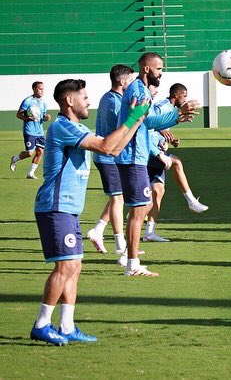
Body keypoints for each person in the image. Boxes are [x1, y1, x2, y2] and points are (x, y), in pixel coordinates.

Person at [30, 79, 148, 345]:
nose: (89, 102)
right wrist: (132, 117)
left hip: (69, 209)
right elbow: (106, 146)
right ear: (69, 101)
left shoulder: (77, 127)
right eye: (84, 97)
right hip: (55, 207)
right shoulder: (63, 127)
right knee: (66, 266)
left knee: (75, 267)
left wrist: (136, 121)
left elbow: (114, 148)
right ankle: (41, 324)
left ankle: (67, 326)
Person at [114, 52, 199, 277]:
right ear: (146, 69)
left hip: (137, 155)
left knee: (139, 208)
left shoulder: (139, 89)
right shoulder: (139, 90)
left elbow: (149, 120)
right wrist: (177, 114)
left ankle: (130, 258)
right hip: (133, 155)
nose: (161, 73)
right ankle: (131, 262)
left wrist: (175, 118)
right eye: (159, 68)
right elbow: (148, 119)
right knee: (138, 210)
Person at [142, 83, 209, 244]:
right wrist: (161, 133)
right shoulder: (160, 106)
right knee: (177, 163)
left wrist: (169, 140)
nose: (185, 99)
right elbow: (149, 125)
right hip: (150, 152)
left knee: (158, 192)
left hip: (158, 150)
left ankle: (149, 232)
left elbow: (161, 129)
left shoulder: (170, 109)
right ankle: (191, 201)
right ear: (177, 95)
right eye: (184, 96)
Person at [85, 65, 134, 256]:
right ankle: (120, 245)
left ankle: (98, 230)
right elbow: (119, 131)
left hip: (110, 156)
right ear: (122, 81)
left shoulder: (111, 98)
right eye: (130, 80)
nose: (132, 84)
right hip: (108, 156)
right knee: (118, 198)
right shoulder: (114, 102)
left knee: (119, 197)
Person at [10, 81, 51, 179]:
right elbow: (18, 114)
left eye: (43, 89)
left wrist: (46, 117)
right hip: (29, 131)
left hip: (39, 131)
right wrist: (27, 118)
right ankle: (14, 159)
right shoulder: (27, 101)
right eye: (40, 89)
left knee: (40, 151)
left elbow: (43, 116)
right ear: (34, 89)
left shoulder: (43, 103)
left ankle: (30, 173)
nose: (42, 91)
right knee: (29, 153)